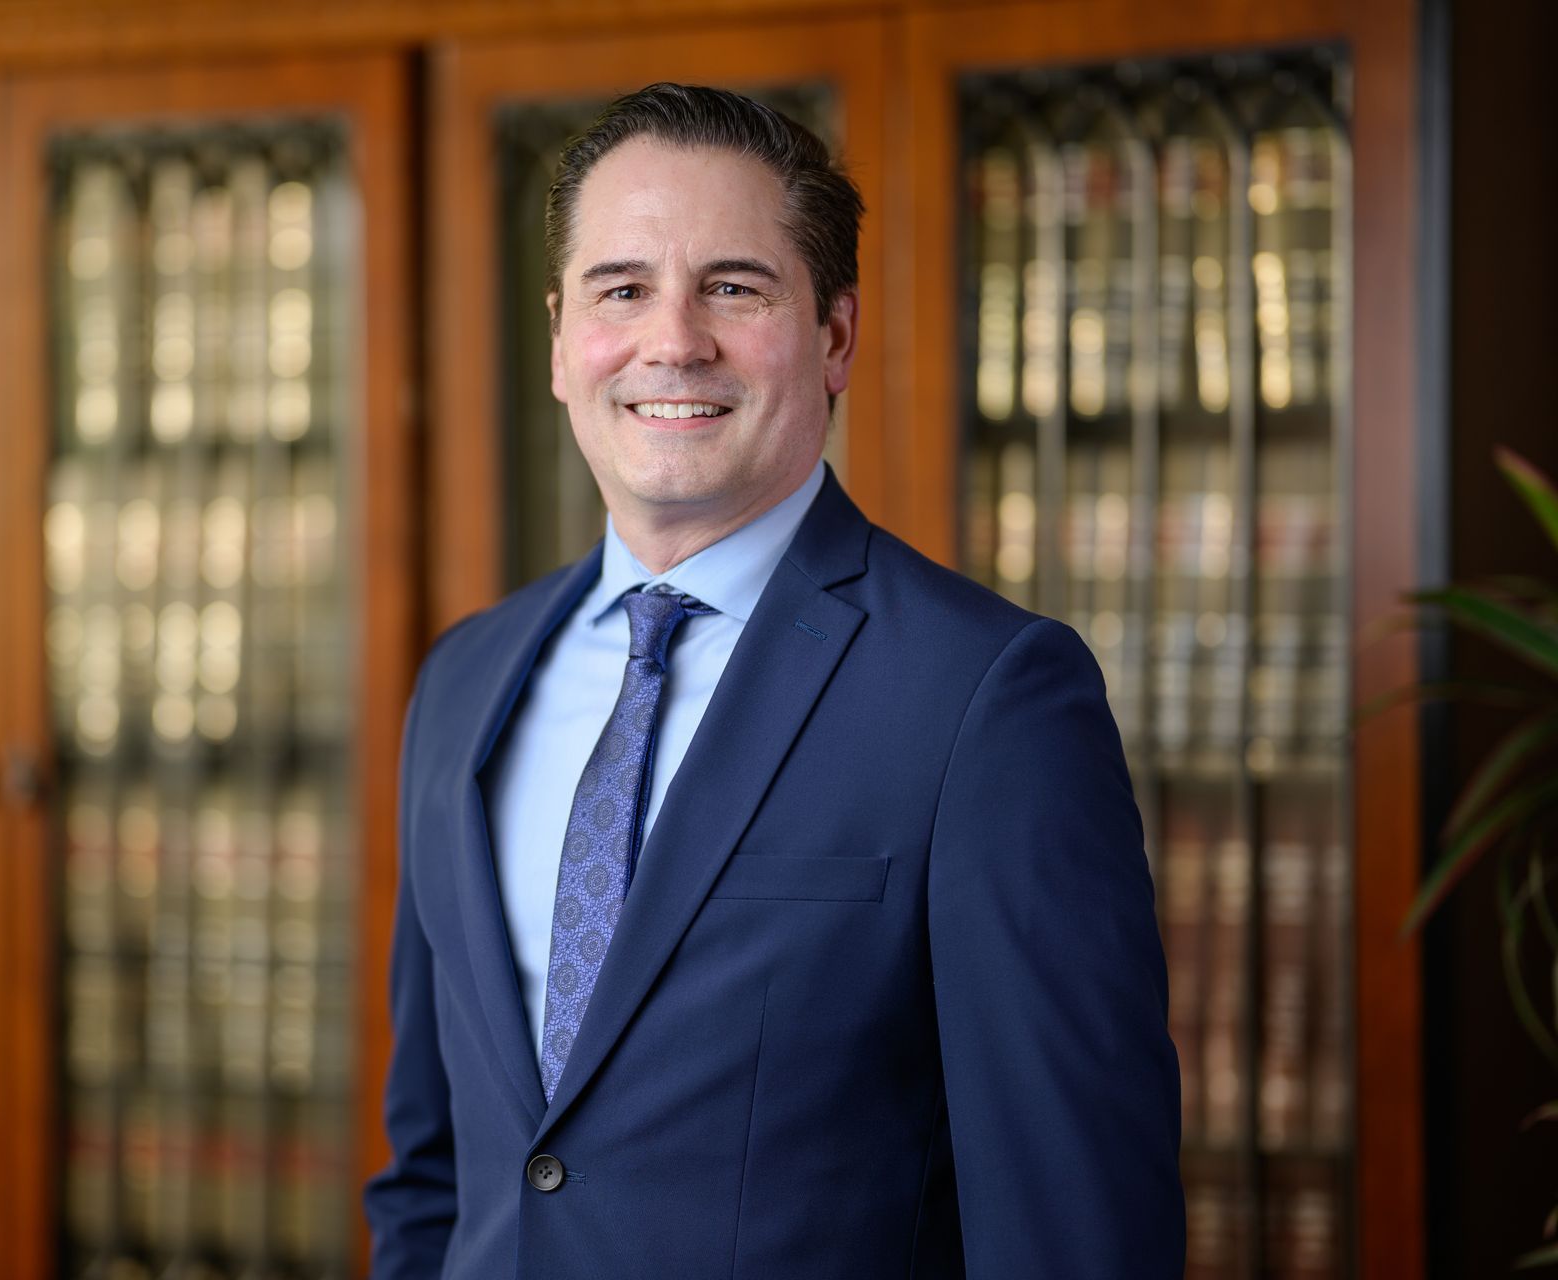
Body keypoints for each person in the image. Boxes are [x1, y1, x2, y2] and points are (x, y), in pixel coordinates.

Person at [365, 82, 1184, 1278]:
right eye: (622, 288)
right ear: (558, 338)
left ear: (835, 335)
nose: (673, 340)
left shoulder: (988, 698)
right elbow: (434, 1172)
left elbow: (1074, 1229)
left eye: (735, 287)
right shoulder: (464, 680)